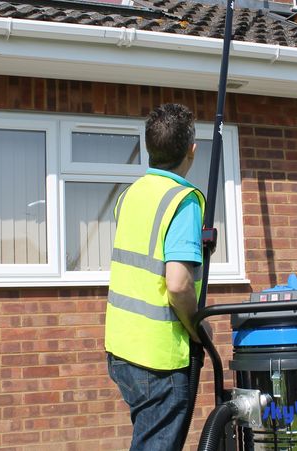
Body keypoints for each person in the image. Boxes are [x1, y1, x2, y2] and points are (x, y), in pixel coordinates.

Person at [105, 103, 211, 451]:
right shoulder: (183, 201)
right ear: (191, 151)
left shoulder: (130, 195)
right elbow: (178, 283)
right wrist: (199, 327)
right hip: (159, 357)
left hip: (122, 350)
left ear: (150, 146)